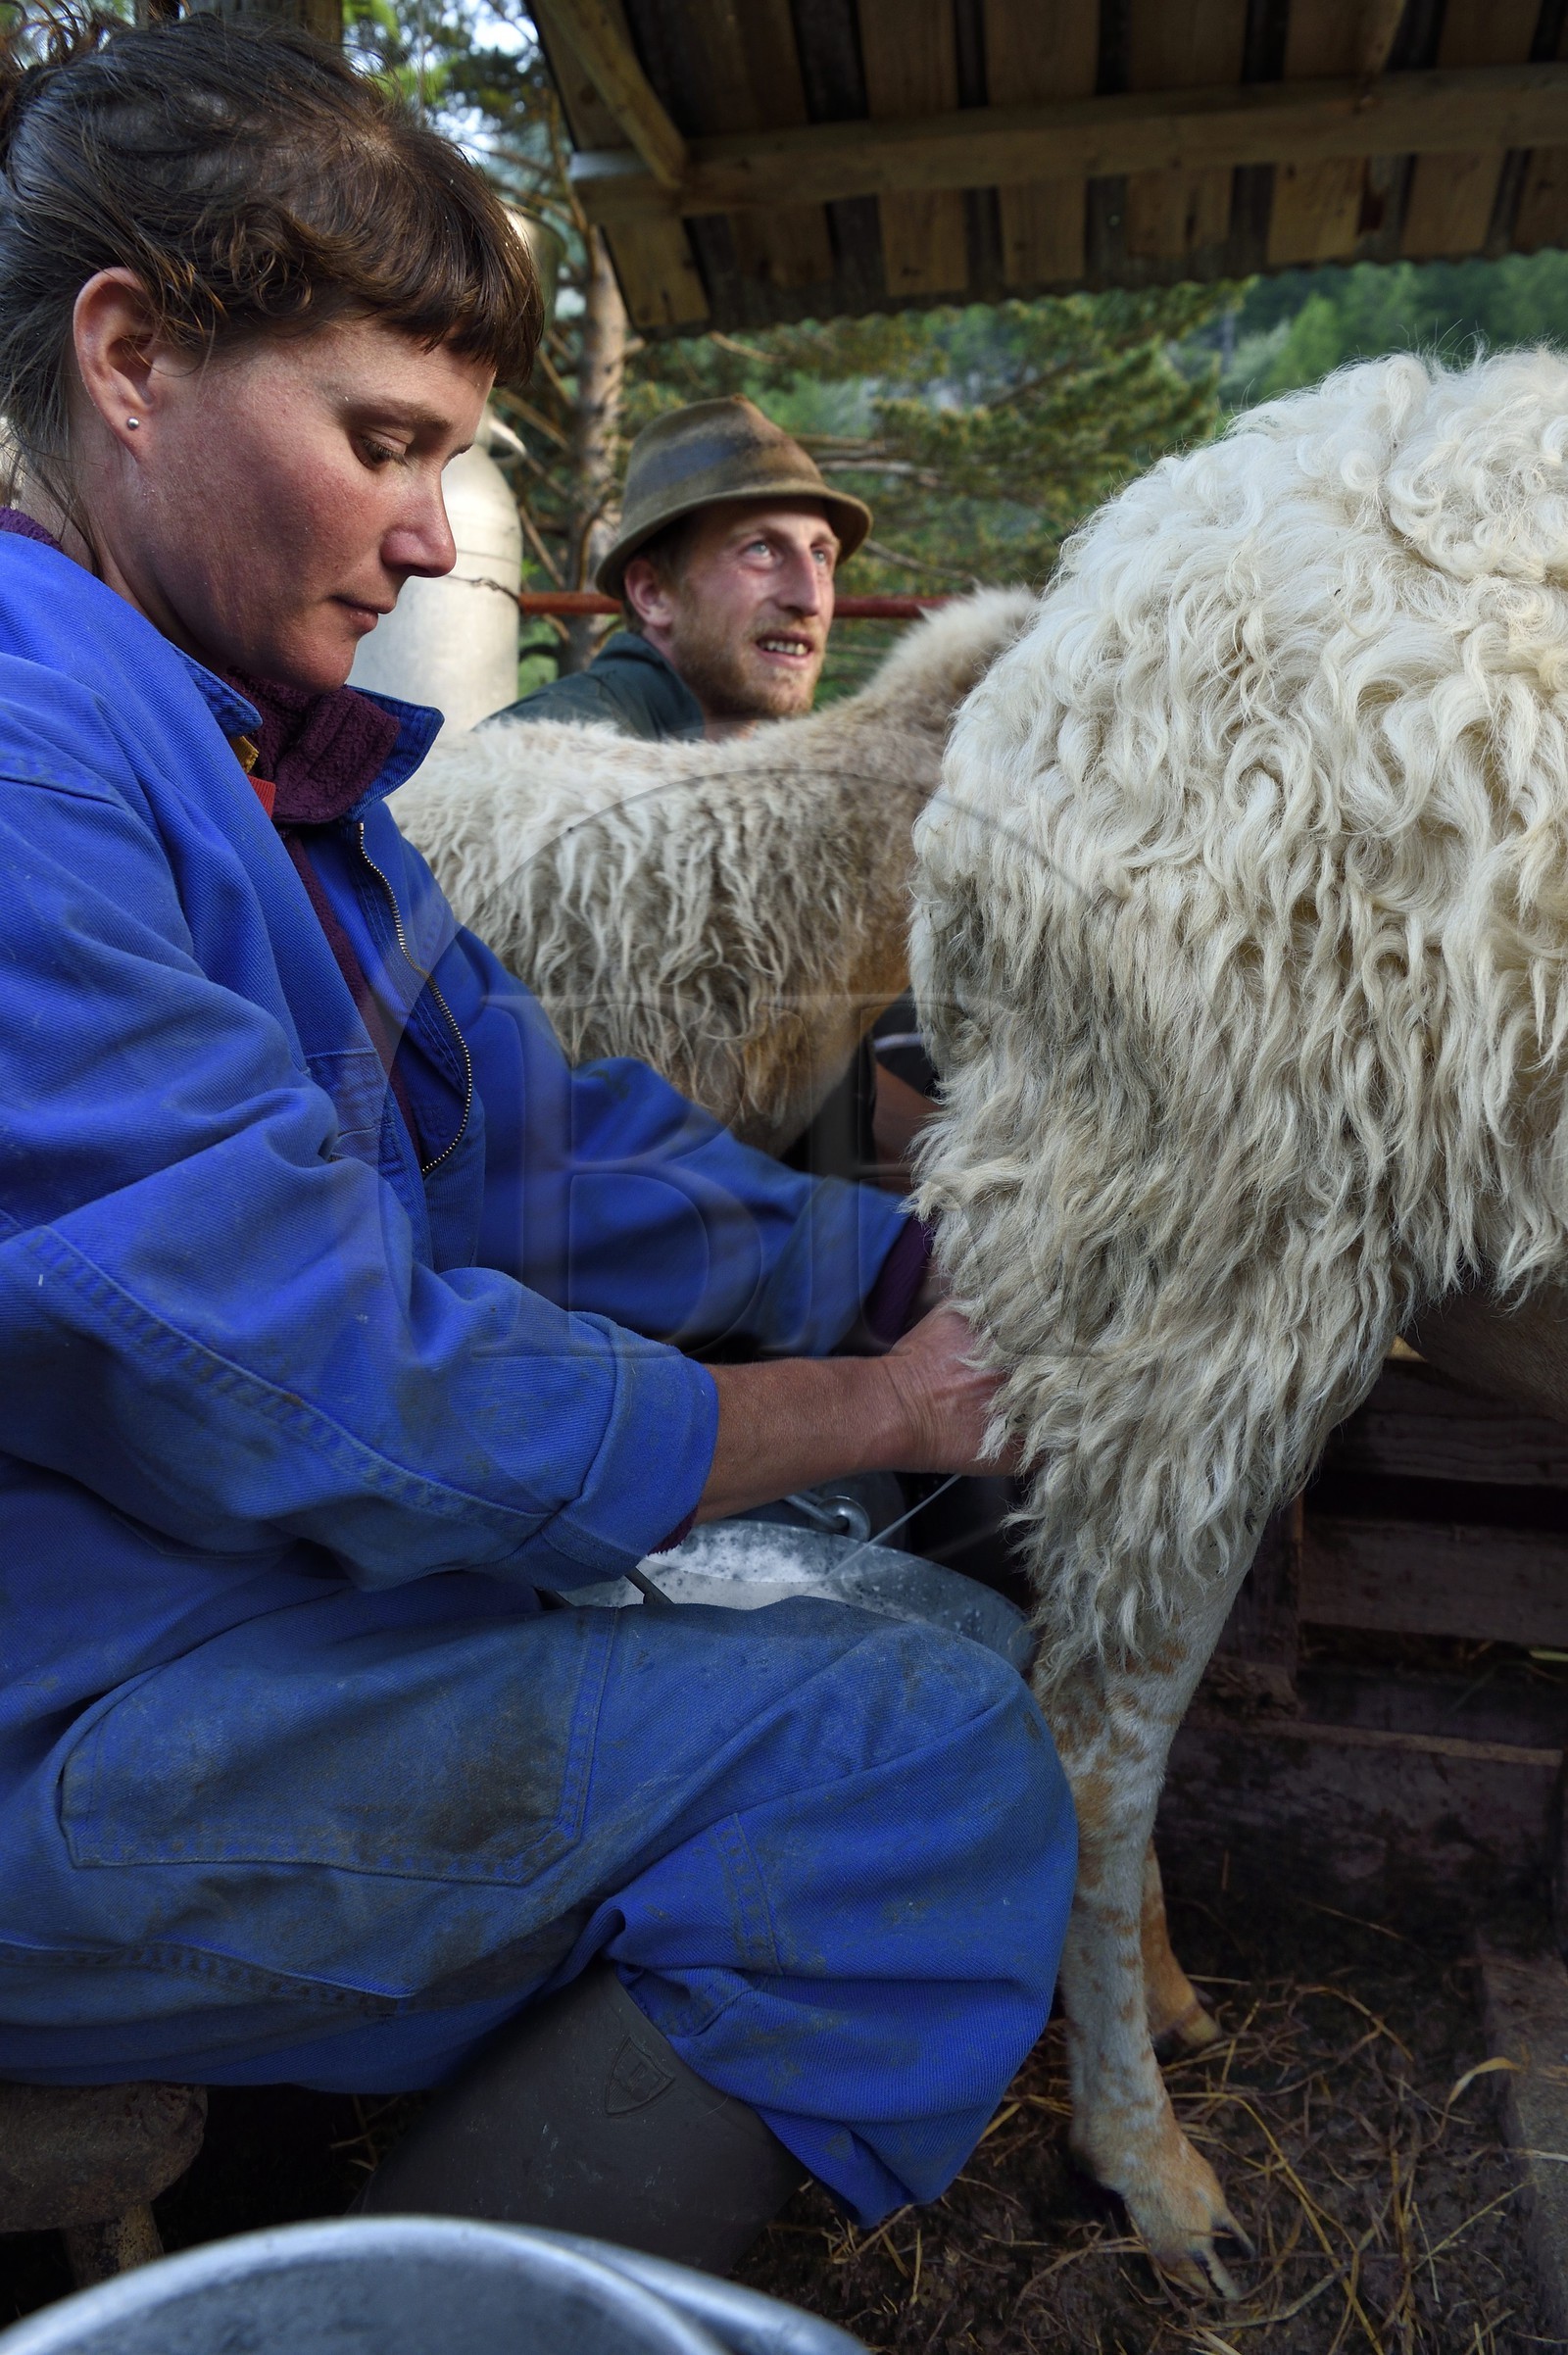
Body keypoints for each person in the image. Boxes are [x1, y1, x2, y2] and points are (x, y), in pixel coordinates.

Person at [0, 11, 1075, 2267]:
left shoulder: (257, 760)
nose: (419, 534)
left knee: (915, 1638)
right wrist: (866, 1403)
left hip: (192, 1616)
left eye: (450, 453)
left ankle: (399, 2180)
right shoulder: (33, 762)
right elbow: (313, 1366)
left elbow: (525, 1147)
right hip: (68, 1707)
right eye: (381, 438)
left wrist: (883, 1264)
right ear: (124, 357)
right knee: (906, 1756)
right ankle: (385, 2312)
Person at [492, 397, 862, 743]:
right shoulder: (559, 758)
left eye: (819, 556)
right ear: (652, 593)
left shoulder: (711, 762)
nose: (809, 598)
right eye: (761, 549)